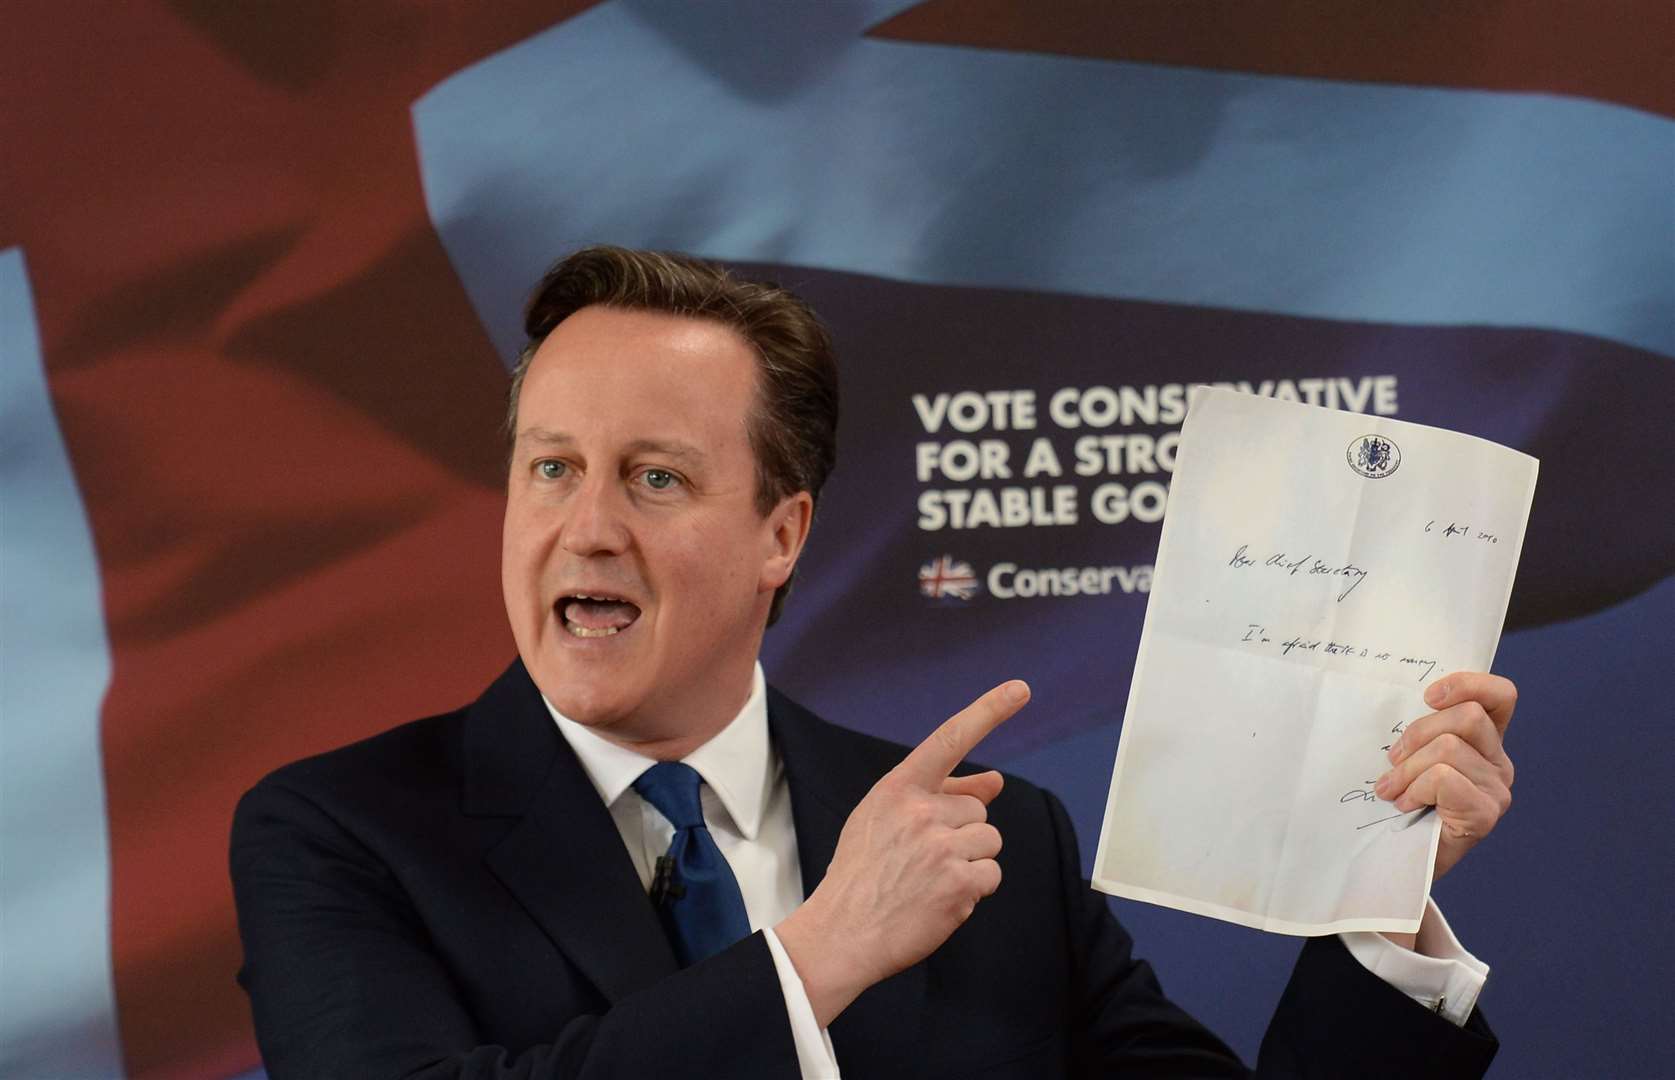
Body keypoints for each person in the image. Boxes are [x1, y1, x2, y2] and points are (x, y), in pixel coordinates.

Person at [231, 246, 1516, 1077]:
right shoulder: (341, 834)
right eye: (551, 468)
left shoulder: (992, 851)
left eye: (655, 477)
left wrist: (1378, 906)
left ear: (780, 533)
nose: (588, 527)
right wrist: (820, 954)